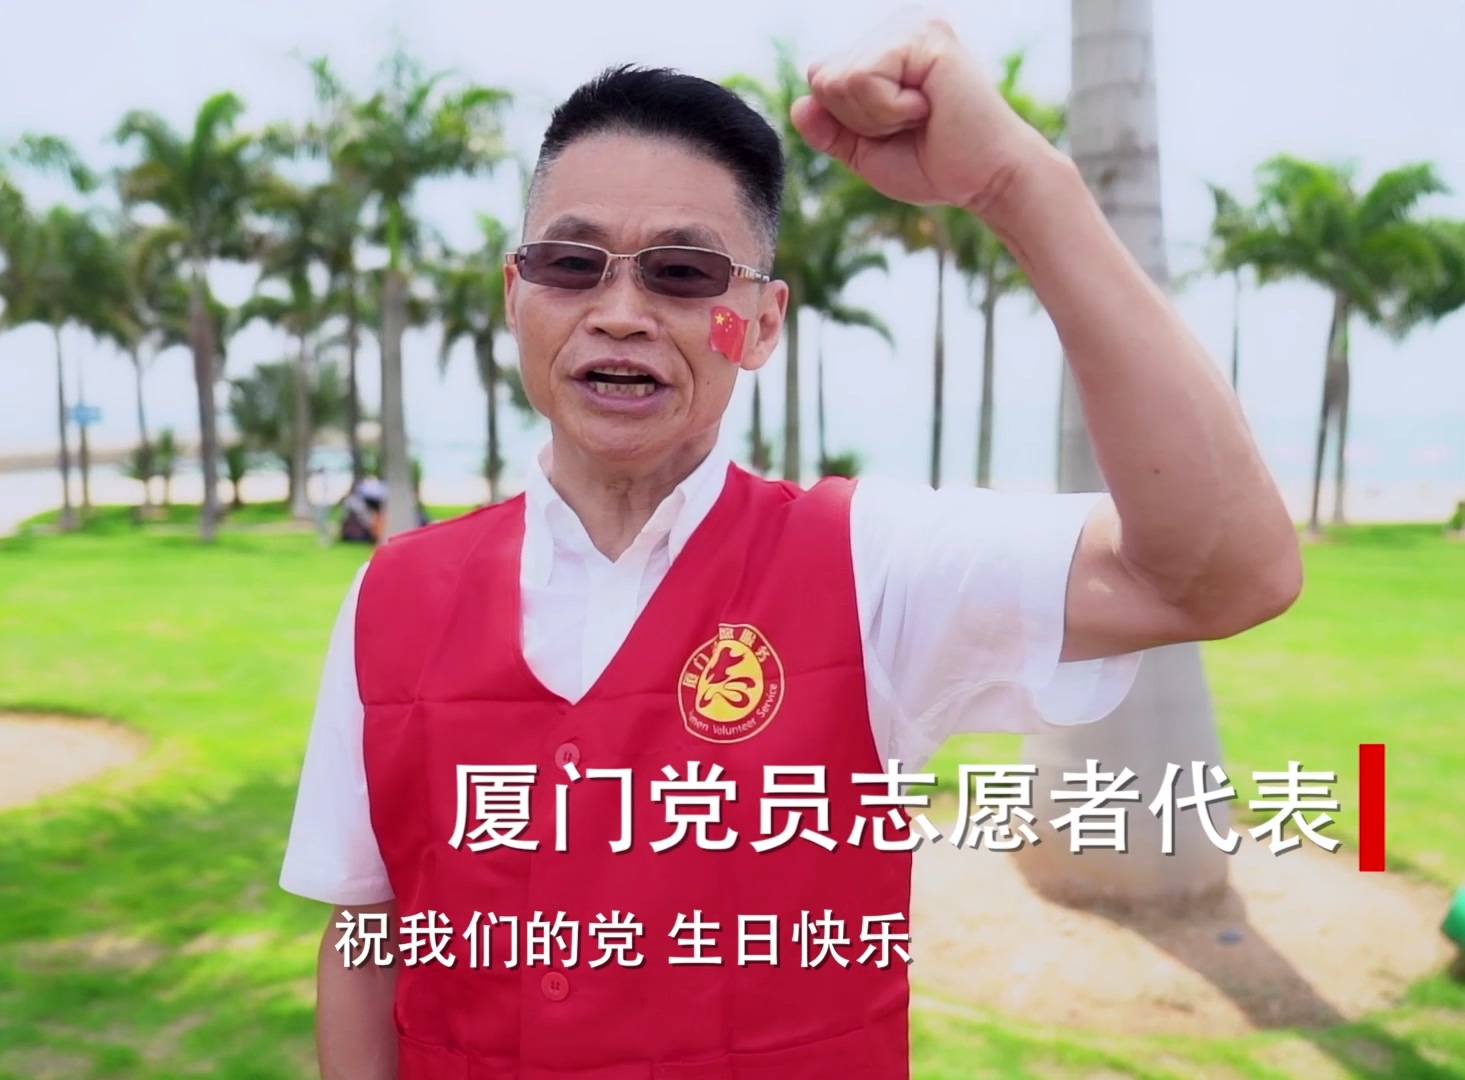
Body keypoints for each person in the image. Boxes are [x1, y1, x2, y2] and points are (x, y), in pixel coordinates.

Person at [282, 14, 1302, 1079]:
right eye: (571, 263)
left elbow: (1225, 572)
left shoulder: (870, 567)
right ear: (515, 293)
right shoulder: (396, 595)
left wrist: (1018, 184)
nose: (619, 312)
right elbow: (369, 931)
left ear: (763, 322)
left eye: (683, 271)